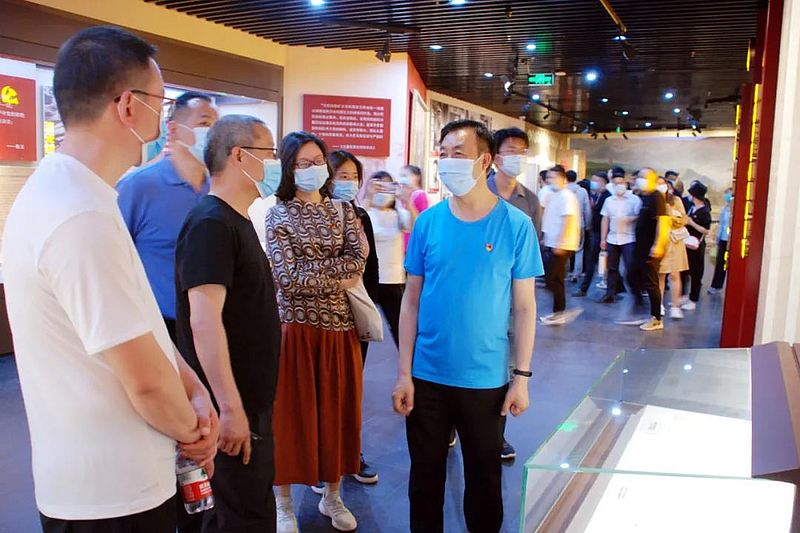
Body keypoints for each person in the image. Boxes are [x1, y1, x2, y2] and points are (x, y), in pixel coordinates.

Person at [3, 26, 217, 533]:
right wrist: (196, 432)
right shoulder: (79, 215)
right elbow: (146, 382)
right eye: (162, 106)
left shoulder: (79, 195)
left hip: (106, 483)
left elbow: (140, 324)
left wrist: (193, 388)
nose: (164, 122)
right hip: (114, 496)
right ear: (127, 106)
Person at [392, 119, 542, 533]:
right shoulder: (428, 222)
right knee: (424, 481)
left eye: (458, 153)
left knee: (484, 482)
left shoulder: (515, 225)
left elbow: (525, 307)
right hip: (427, 376)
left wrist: (521, 378)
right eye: (443, 153)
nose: (447, 161)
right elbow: (411, 300)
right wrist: (403, 373)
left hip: (486, 379)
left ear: (484, 160)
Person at [174, 115, 282, 533]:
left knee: (250, 507)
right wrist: (230, 408)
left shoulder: (235, 219)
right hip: (230, 407)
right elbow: (204, 322)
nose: (275, 163)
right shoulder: (211, 224)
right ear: (239, 156)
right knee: (239, 515)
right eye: (269, 152)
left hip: (248, 399)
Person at [265, 132, 366, 533]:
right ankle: (283, 504)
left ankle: (332, 495)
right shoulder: (277, 215)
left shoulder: (343, 211)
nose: (313, 169)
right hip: (295, 331)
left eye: (318, 161)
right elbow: (287, 279)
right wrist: (336, 276)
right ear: (289, 169)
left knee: (337, 414)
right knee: (290, 417)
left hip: (340, 330)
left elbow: (357, 261)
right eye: (303, 163)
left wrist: (316, 273)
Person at [117, 91, 218, 345]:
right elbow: (112, 263)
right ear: (173, 129)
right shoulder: (139, 186)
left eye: (218, 126)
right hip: (159, 328)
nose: (214, 134)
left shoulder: (217, 190)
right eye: (205, 123)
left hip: (211, 325)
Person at [329, 150, 380, 486]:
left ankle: (351, 453)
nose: (348, 183)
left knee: (352, 388)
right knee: (324, 390)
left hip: (355, 314)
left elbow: (371, 269)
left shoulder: (361, 216)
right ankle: (323, 460)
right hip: (322, 316)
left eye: (353, 177)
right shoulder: (313, 215)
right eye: (341, 176)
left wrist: (367, 310)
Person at [363, 170, 411, 348]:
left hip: (393, 281)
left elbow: (415, 227)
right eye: (378, 186)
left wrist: (406, 200)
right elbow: (353, 225)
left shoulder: (398, 214)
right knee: (363, 331)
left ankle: (408, 364)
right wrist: (368, 197)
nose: (382, 191)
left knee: (401, 330)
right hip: (369, 281)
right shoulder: (366, 212)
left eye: (387, 187)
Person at [626, 168, 670, 331]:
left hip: (651, 248)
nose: (639, 179)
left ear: (652, 179)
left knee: (652, 283)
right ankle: (640, 308)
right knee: (632, 275)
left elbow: (663, 222)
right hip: (640, 246)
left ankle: (656, 318)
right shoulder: (644, 197)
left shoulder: (657, 197)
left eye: (643, 177)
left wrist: (658, 245)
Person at [539, 166, 582, 325]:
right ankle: (558, 312)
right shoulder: (554, 195)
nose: (550, 180)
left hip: (562, 244)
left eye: (554, 177)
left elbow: (568, 220)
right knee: (553, 279)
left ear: (563, 179)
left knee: (554, 279)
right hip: (552, 241)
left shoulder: (566, 196)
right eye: (549, 177)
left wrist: (560, 242)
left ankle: (559, 313)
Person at [489, 127, 542, 237]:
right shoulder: (477, 194)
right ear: (496, 158)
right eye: (511, 151)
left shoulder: (531, 199)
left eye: (523, 151)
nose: (519, 157)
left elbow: (533, 239)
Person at [600, 172, 641, 303]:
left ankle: (636, 291)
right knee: (611, 267)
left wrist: (630, 219)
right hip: (612, 238)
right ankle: (610, 293)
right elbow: (605, 219)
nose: (618, 186)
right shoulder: (609, 200)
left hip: (629, 238)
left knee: (630, 267)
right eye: (616, 184)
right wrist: (603, 238)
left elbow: (640, 217)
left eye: (621, 183)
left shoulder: (634, 199)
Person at [656, 177, 689, 319]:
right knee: (660, 275)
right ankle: (658, 304)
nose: (661, 186)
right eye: (657, 184)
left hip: (674, 242)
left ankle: (675, 306)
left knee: (675, 274)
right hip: (659, 242)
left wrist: (671, 214)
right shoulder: (652, 200)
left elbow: (684, 220)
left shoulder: (675, 200)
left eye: (662, 184)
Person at [575, 171, 612, 297]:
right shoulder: (598, 196)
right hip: (596, 232)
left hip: (601, 234)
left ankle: (584, 288)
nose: (593, 183)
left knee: (594, 261)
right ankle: (616, 288)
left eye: (596, 181)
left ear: (603, 182)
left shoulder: (607, 197)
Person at [681, 181, 712, 310]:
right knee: (684, 270)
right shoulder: (692, 208)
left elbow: (706, 230)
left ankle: (693, 299)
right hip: (686, 243)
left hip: (696, 245)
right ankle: (682, 295)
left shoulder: (704, 211)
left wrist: (692, 223)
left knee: (696, 272)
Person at [566, 170, 591, 283]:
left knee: (564, 249)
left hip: (565, 224)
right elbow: (587, 209)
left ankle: (564, 271)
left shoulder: (562, 191)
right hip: (578, 223)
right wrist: (588, 224)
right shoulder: (582, 191)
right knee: (579, 250)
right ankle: (576, 273)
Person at [396, 164, 429, 250]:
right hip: (404, 242)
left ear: (417, 177)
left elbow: (422, 220)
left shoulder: (420, 195)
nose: (402, 178)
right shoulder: (406, 194)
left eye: (405, 175)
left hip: (412, 242)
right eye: (401, 175)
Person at [709, 187, 733, 294]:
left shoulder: (735, 209)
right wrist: (717, 238)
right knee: (720, 263)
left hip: (731, 239)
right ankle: (716, 285)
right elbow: (721, 224)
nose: (727, 196)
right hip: (723, 239)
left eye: (729, 194)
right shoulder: (724, 209)